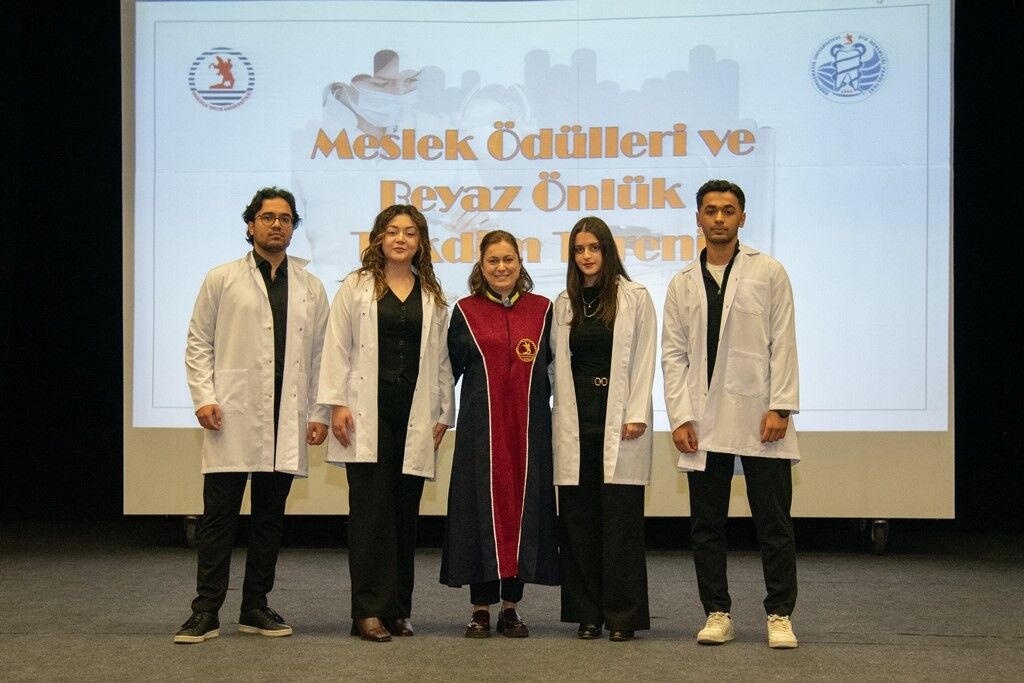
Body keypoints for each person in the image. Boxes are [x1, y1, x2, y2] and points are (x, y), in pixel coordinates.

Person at [176, 187, 330, 644]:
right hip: (231, 413)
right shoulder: (221, 278)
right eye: (267, 217)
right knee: (218, 518)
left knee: (269, 519)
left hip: (287, 417)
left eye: (285, 218)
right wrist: (203, 396)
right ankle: (205, 611)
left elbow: (321, 356)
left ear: (293, 227)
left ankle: (255, 606)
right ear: (251, 225)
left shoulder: (311, 287)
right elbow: (198, 341)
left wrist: (318, 411)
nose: (276, 224)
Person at [661, 179, 801, 649]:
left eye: (728, 210)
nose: (719, 218)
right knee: (707, 524)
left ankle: (779, 613)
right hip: (702, 420)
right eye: (710, 210)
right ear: (698, 219)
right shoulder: (682, 282)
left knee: (773, 522)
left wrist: (780, 406)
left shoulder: (769, 271)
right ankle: (716, 611)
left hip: (761, 416)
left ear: (742, 217)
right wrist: (680, 417)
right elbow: (673, 355)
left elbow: (784, 341)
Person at [317, 205, 454, 643]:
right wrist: (337, 404)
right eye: (392, 231)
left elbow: (441, 360)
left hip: (414, 414)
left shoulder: (431, 293)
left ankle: (397, 609)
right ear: (378, 237)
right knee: (370, 514)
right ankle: (368, 611)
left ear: (420, 242)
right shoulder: (356, 287)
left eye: (410, 233)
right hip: (365, 414)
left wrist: (444, 413)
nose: (400, 239)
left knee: (404, 515)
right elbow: (336, 347)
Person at [441, 230, 559, 638]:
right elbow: (445, 373)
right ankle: (480, 608)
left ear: (520, 263)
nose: (501, 267)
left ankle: (511, 607)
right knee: (480, 512)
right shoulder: (465, 311)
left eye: (509, 259)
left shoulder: (543, 311)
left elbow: (556, 371)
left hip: (528, 432)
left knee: (523, 513)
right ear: (481, 265)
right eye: (493, 260)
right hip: (481, 434)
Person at [551, 217, 656, 642]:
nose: (587, 256)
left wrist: (637, 412)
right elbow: (555, 365)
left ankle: (622, 616)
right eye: (579, 249)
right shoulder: (564, 302)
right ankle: (587, 613)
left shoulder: (635, 297)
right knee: (577, 523)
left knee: (620, 524)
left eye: (594, 247)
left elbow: (645, 358)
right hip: (576, 421)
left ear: (608, 251)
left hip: (621, 422)